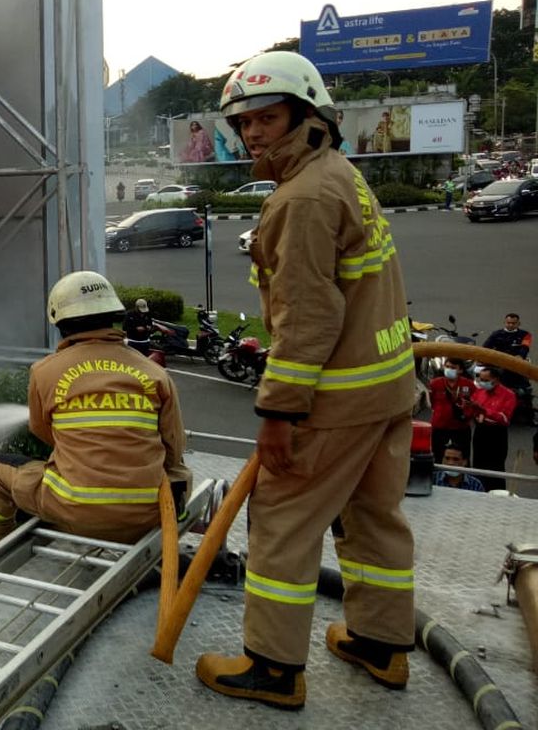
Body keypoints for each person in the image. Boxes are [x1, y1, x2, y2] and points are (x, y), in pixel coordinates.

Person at [196, 51, 416, 710]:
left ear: (307, 113)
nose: (254, 133)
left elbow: (307, 321)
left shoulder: (302, 198)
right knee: (374, 517)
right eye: (245, 122)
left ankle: (273, 667)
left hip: (335, 400)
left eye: (267, 117)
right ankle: (382, 647)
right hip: (388, 389)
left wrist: (277, 414)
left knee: (283, 521)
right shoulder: (339, 175)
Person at [0, 271, 191, 576]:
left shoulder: (45, 372)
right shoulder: (153, 372)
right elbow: (173, 446)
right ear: (113, 317)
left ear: (60, 324)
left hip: (75, 511)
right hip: (151, 513)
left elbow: (45, 432)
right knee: (177, 468)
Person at [467, 366, 516, 492]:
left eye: (485, 380)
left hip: (496, 434)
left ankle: (497, 494)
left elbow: (505, 419)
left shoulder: (508, 395)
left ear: (496, 380)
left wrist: (485, 411)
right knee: (478, 464)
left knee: (496, 467)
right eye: (480, 379)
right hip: (480, 431)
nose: (482, 382)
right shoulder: (479, 392)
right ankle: (477, 491)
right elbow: (472, 409)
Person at [427, 357, 474, 460]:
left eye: (453, 367)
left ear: (460, 370)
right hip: (440, 427)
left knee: (462, 456)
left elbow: (474, 402)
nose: (449, 369)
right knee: (437, 455)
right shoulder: (435, 383)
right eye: (447, 367)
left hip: (460, 427)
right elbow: (432, 401)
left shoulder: (468, 384)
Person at [483, 313, 532, 395]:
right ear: (505, 322)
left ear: (518, 324)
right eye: (508, 323)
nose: (510, 325)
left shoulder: (525, 335)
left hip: (516, 363)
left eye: (513, 323)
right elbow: (485, 347)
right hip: (498, 362)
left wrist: (520, 356)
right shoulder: (496, 334)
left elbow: (525, 347)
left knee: (522, 386)